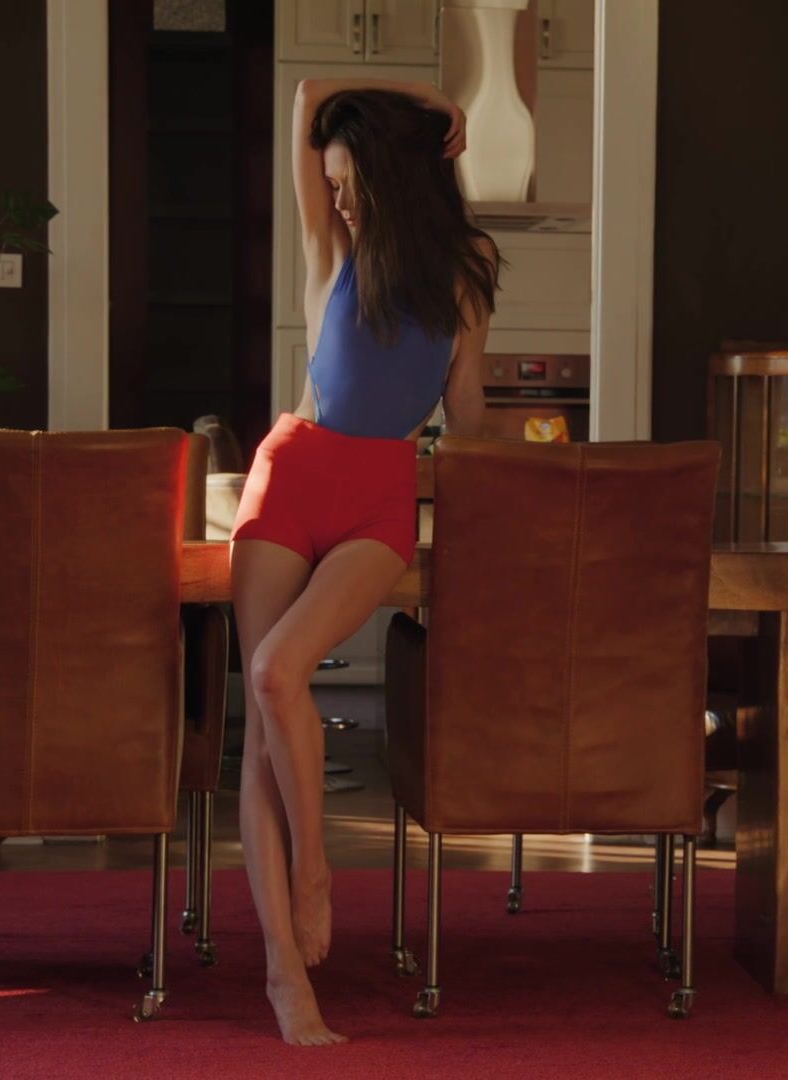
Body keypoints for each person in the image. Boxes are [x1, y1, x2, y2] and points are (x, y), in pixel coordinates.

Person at [228, 78, 503, 1046]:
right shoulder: (330, 250)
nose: (336, 197)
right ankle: (286, 972)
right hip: (289, 478)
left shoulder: (464, 273)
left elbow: (466, 417)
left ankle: (313, 868)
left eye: (349, 181)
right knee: (264, 724)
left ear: (389, 176)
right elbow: (308, 93)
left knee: (276, 672)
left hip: (379, 502)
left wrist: (516, 494)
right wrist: (437, 101)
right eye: (332, 181)